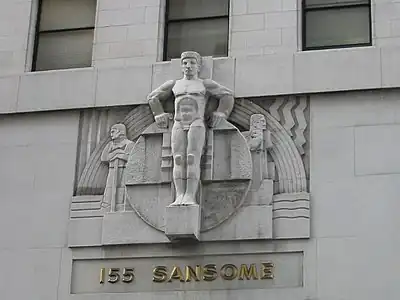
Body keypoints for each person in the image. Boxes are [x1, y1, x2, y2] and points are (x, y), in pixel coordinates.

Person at [147, 51, 234, 206]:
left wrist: (221, 113)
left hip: (197, 123)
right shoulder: (174, 85)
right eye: (185, 63)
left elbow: (227, 95)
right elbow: (153, 97)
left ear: (198, 66)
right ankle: (179, 195)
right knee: (178, 159)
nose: (188, 66)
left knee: (192, 158)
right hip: (178, 122)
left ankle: (190, 196)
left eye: (192, 63)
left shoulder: (204, 84)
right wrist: (158, 113)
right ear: (181, 66)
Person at [101, 123, 134, 212]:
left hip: (124, 171)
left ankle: (121, 208)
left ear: (120, 132)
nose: (111, 134)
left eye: (113, 132)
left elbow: (132, 158)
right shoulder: (110, 145)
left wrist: (119, 155)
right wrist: (117, 153)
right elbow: (104, 158)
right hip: (112, 171)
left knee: (122, 191)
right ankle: (108, 208)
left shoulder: (129, 144)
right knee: (109, 191)